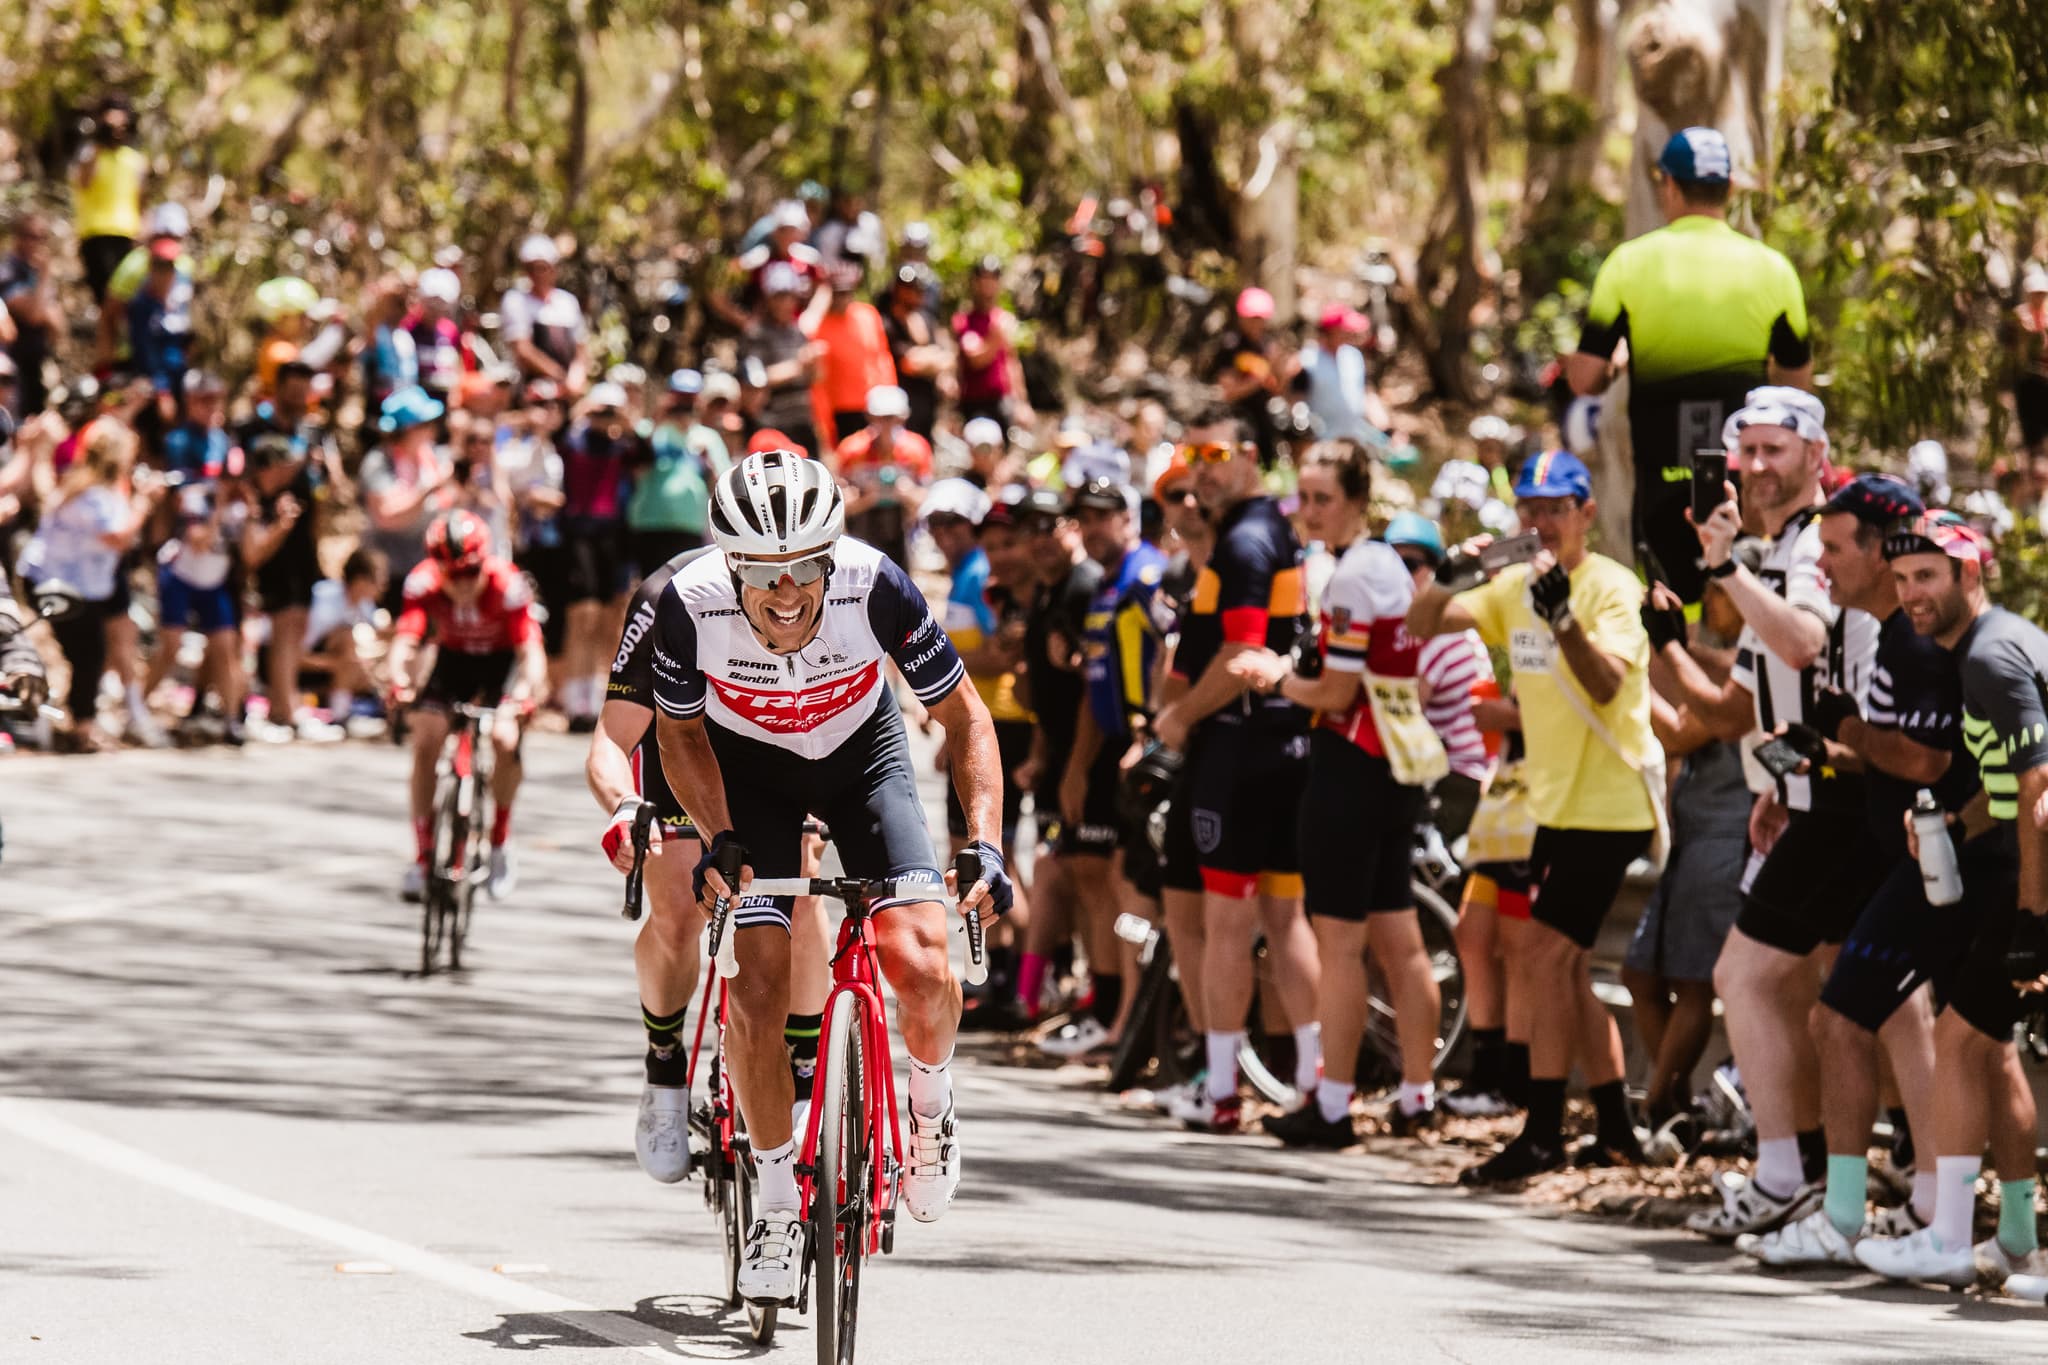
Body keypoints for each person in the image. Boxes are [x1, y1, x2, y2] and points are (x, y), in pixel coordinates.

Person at [649, 450, 1012, 1303]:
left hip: (864, 759)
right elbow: (680, 737)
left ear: (831, 558)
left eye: (805, 568)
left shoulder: (876, 584)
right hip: (751, 775)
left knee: (921, 957)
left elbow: (966, 718)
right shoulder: (688, 604)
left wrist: (985, 841)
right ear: (731, 564)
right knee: (760, 984)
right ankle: (777, 1201)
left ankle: (930, 1105)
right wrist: (719, 834)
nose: (787, 592)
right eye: (765, 573)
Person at [1651, 391, 1884, 1236]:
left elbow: (1804, 644)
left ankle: (1800, 1171)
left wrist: (1721, 572)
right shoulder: (1774, 549)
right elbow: (1750, 701)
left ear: (1818, 454)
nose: (1753, 467)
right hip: (1808, 796)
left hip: (1852, 797)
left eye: (1772, 450)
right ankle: (1828, 1173)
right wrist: (1772, 785)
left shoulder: (1818, 546)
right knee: (1814, 997)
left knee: (1748, 978)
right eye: (1742, 452)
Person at [1409, 449, 1659, 1181]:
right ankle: (1615, 1125)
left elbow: (1609, 684)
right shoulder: (1511, 584)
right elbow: (1424, 623)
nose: (1541, 521)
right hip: (1551, 802)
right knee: (1566, 967)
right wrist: (1453, 569)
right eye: (1530, 507)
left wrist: (1563, 617)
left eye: (1556, 507)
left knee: (1547, 958)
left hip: (1608, 804)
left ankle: (1542, 1130)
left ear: (1586, 513)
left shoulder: (1613, 588)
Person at [1723, 474, 1952, 1265]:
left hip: (1931, 856)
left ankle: (1852, 1208)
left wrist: (1840, 738)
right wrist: (1812, 764)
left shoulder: (1912, 636)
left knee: (1866, 1020)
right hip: (1900, 849)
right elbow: (1880, 750)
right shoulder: (1886, 630)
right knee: (1891, 1018)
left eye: (1831, 548)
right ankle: (1927, 1207)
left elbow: (1923, 756)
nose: (1820, 564)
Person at [1853, 515, 2048, 1294]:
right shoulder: (1986, 647)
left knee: (1959, 1042)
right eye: (1901, 581)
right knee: (1987, 1048)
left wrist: (2032, 922)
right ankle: (2020, 1242)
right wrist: (1953, 817)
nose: (1911, 595)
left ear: (1971, 575)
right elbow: (2007, 790)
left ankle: (1944, 1235)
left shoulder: (1992, 657)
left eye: (1928, 576)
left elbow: (2038, 796)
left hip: (2036, 880)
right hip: (2022, 869)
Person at [1235, 444, 1445, 1145]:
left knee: (1341, 945)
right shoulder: (1387, 563)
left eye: (1323, 497)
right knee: (1399, 936)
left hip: (1351, 764)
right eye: (1303, 496)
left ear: (1357, 499)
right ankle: (1418, 1092)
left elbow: (1335, 690)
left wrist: (1274, 676)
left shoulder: (1353, 575)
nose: (1309, 510)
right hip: (1391, 767)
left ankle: (1331, 1103)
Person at [1150, 409, 1320, 1134]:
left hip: (1240, 748)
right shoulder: (1259, 531)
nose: (1201, 469)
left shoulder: (1249, 539)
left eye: (1216, 453)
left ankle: (1222, 1089)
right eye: (1192, 455)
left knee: (1233, 923)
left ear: (1252, 456)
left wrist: (1182, 717)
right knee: (1282, 918)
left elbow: (1244, 657)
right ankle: (1315, 1080)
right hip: (1279, 747)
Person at [1568, 126, 1812, 604]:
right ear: (1729, 189)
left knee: (1673, 612)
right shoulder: (1773, 269)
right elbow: (1797, 391)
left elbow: (1583, 380)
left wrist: (1619, 365)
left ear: (1670, 186)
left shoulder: (1627, 264)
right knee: (1747, 609)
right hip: (1749, 482)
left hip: (1662, 480)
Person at [1626, 536, 1765, 1137]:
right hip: (1690, 835)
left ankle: (1655, 1105)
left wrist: (1632, 681)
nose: (1708, 598)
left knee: (1692, 981)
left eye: (1719, 588)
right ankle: (1674, 1102)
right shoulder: (1710, 657)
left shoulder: (1758, 664)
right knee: (1640, 974)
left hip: (1730, 834)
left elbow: (1683, 733)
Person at [1046, 480, 1169, 1055]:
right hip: (1112, 757)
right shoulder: (1104, 585)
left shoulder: (1148, 575)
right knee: (1109, 879)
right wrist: (1076, 766)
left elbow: (1176, 653)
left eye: (1103, 517)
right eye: (1084, 519)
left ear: (1128, 517)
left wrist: (1153, 729)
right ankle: (1118, 1016)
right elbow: (1097, 683)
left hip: (1148, 753)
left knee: (1130, 886)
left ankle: (1132, 1026)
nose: (1092, 528)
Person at [388, 510, 546, 902]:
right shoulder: (422, 582)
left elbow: (531, 653)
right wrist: (399, 680)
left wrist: (526, 694)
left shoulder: (508, 586)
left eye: (469, 573)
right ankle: (424, 857)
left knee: (505, 741)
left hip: (500, 665)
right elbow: (405, 642)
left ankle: (498, 845)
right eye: (451, 575)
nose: (460, 585)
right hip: (454, 662)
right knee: (426, 739)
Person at [17, 422, 165, 751]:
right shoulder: (92, 493)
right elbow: (117, 537)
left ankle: (75, 720)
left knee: (90, 653)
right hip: (57, 584)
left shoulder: (92, 486)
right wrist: (144, 502)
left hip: (77, 585)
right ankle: (79, 727)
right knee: (88, 654)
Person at [1383, 513, 1490, 842]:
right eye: (1392, 564)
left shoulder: (1438, 632)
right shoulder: (1438, 623)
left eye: (1411, 564)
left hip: (1457, 778)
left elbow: (1401, 716)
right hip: (1455, 772)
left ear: (1435, 571)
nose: (1400, 575)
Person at [242, 432, 342, 743]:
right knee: (283, 635)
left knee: (295, 633)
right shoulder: (257, 499)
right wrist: (281, 525)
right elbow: (253, 554)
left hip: (301, 568)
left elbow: (331, 501)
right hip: (277, 574)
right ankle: (283, 709)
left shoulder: (299, 488)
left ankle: (288, 704)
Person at [559, 382, 645, 732]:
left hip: (613, 536)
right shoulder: (573, 442)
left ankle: (600, 695)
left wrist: (625, 420)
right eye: (601, 410)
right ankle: (574, 696)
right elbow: (560, 432)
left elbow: (645, 453)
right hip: (579, 534)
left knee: (612, 617)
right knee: (583, 615)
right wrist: (584, 410)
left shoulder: (621, 447)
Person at [359, 385, 458, 612]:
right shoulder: (378, 463)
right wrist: (428, 490)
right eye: (424, 425)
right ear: (405, 430)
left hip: (429, 567)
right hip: (391, 574)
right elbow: (386, 516)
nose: (432, 431)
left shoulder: (431, 456)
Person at [626, 369, 726, 576]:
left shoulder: (708, 438)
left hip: (689, 526)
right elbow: (635, 470)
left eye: (690, 399)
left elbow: (720, 490)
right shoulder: (647, 431)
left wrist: (707, 462)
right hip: (649, 524)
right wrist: (657, 420)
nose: (684, 405)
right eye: (679, 398)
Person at [833, 384, 932, 571]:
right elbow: (838, 505)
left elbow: (928, 500)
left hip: (903, 528)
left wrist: (907, 493)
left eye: (892, 418)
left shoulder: (916, 449)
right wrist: (866, 498)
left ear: (903, 417)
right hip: (863, 526)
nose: (886, 425)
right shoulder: (852, 450)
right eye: (880, 418)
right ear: (869, 417)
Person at [301, 549, 389, 735]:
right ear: (359, 580)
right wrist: (340, 665)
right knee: (347, 639)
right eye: (378, 580)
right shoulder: (325, 602)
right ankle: (338, 716)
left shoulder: (363, 604)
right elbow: (295, 654)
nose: (383, 586)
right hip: (298, 666)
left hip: (330, 667)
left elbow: (382, 634)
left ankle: (343, 712)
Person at [741, 263, 825, 458]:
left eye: (789, 296)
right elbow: (755, 379)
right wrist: (799, 365)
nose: (784, 302)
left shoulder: (798, 333)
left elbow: (815, 378)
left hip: (803, 423)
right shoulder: (756, 334)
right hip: (773, 424)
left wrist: (815, 364)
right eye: (779, 296)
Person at [809, 262, 897, 445]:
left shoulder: (868, 315)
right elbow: (819, 382)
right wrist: (824, 421)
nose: (843, 298)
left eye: (847, 292)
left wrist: (891, 396)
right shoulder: (819, 326)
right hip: (841, 411)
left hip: (875, 405)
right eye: (838, 293)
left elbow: (882, 358)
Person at [72, 95, 146, 303]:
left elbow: (141, 200)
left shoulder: (135, 161)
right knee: (107, 299)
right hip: (96, 236)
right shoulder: (89, 155)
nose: (115, 130)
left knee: (126, 299)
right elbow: (83, 182)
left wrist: (142, 232)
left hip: (127, 237)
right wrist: (98, 141)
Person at [500, 234, 590, 396]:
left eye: (541, 268)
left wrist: (575, 378)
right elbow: (523, 350)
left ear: (554, 268)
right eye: (531, 268)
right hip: (532, 389)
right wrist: (558, 376)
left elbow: (581, 349)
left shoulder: (568, 302)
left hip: (567, 390)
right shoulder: (516, 300)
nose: (536, 274)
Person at [1211, 288, 1284, 467]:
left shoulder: (1268, 346)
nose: (1256, 323)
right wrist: (1258, 380)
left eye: (1260, 318)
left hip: (1263, 422)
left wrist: (1282, 371)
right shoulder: (1231, 345)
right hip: (1237, 420)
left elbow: (1277, 389)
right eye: (1252, 318)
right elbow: (1228, 393)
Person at [1295, 306, 1389, 443]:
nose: (1349, 332)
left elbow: (1365, 393)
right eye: (1344, 329)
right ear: (1331, 331)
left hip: (1354, 440)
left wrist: (1386, 428)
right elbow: (1296, 401)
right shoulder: (1307, 361)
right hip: (1321, 444)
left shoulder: (1353, 356)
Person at [0, 215, 62, 416]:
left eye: (40, 238)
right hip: (13, 364)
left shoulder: (33, 273)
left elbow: (58, 323)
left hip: (37, 363)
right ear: (16, 236)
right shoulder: (8, 272)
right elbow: (34, 315)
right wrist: (44, 277)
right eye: (29, 236)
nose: (34, 243)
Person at [952, 257, 1023, 426]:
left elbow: (1012, 363)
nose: (988, 285)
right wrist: (997, 335)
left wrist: (1021, 403)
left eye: (993, 279)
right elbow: (976, 359)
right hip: (974, 403)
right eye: (984, 279)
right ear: (975, 282)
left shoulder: (1003, 318)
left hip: (1002, 400)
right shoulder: (964, 320)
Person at [880, 264, 947, 440]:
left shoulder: (925, 318)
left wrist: (927, 357)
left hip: (928, 402)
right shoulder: (886, 323)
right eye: (908, 289)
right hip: (899, 408)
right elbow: (910, 363)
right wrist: (932, 357)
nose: (914, 295)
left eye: (918, 290)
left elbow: (948, 357)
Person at [2005, 266, 2048, 455]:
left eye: (2042, 294)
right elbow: (2009, 345)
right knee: (2029, 423)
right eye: (2035, 294)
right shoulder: (2019, 316)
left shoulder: (2046, 318)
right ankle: (2032, 462)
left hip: (2045, 378)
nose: (2039, 298)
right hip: (2025, 378)